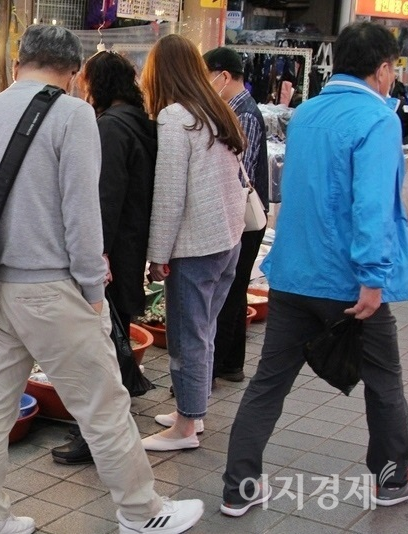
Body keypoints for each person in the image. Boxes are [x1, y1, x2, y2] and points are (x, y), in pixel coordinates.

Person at [0, 24, 203, 534]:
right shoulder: (72, 114)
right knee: (103, 402)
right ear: (73, 73)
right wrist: (94, 292)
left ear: (17, 63)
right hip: (51, 289)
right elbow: (82, 216)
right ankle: (141, 512)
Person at [221, 22, 408, 516]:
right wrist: (374, 278)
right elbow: (372, 206)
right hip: (349, 282)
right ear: (382, 69)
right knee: (384, 381)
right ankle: (393, 477)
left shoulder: (308, 113)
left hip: (294, 273)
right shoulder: (377, 120)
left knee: (268, 383)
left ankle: (238, 488)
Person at [50, 50, 157, 466]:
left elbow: (103, 198)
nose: (81, 87)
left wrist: (95, 255)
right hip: (130, 244)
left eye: (86, 81)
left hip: (112, 250)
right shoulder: (138, 121)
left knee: (97, 342)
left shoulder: (111, 129)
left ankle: (94, 435)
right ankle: (114, 413)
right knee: (113, 336)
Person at [140, 34, 246, 452]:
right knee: (204, 331)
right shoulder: (216, 112)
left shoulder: (174, 118)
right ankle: (193, 411)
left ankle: (185, 427)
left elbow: (169, 196)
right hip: (227, 241)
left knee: (188, 337)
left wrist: (156, 257)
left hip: (196, 247)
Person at [204, 46, 270, 383]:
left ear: (223, 76)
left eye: (207, 76)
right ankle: (231, 364)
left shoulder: (242, 112)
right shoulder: (238, 108)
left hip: (242, 217)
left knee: (228, 292)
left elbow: (240, 173)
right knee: (234, 287)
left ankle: (215, 368)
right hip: (242, 215)